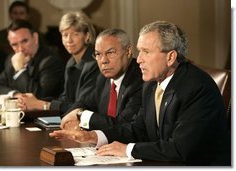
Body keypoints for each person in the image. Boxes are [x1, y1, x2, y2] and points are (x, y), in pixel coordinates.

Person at [49, 21, 231, 165]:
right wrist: (94, 136)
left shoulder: (196, 87)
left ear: (170, 57)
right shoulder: (152, 84)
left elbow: (180, 149)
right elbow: (138, 128)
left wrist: (128, 150)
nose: (139, 59)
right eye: (139, 51)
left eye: (146, 52)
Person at [17, 11, 100, 113]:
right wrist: (33, 101)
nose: (69, 40)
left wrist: (40, 104)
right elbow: (65, 100)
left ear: (87, 36)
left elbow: (81, 107)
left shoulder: (94, 63)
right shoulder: (71, 62)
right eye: (65, 35)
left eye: (75, 34)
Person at [60, 28, 143, 130]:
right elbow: (84, 103)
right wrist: (75, 113)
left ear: (128, 51)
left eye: (110, 53)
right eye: (98, 54)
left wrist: (81, 115)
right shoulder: (102, 78)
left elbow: (122, 125)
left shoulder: (140, 79)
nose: (103, 61)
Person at [0, 19, 65, 101]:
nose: (20, 49)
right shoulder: (11, 60)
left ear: (35, 38)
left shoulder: (51, 61)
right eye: (14, 44)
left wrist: (20, 70)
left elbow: (38, 96)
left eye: (24, 41)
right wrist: (15, 94)